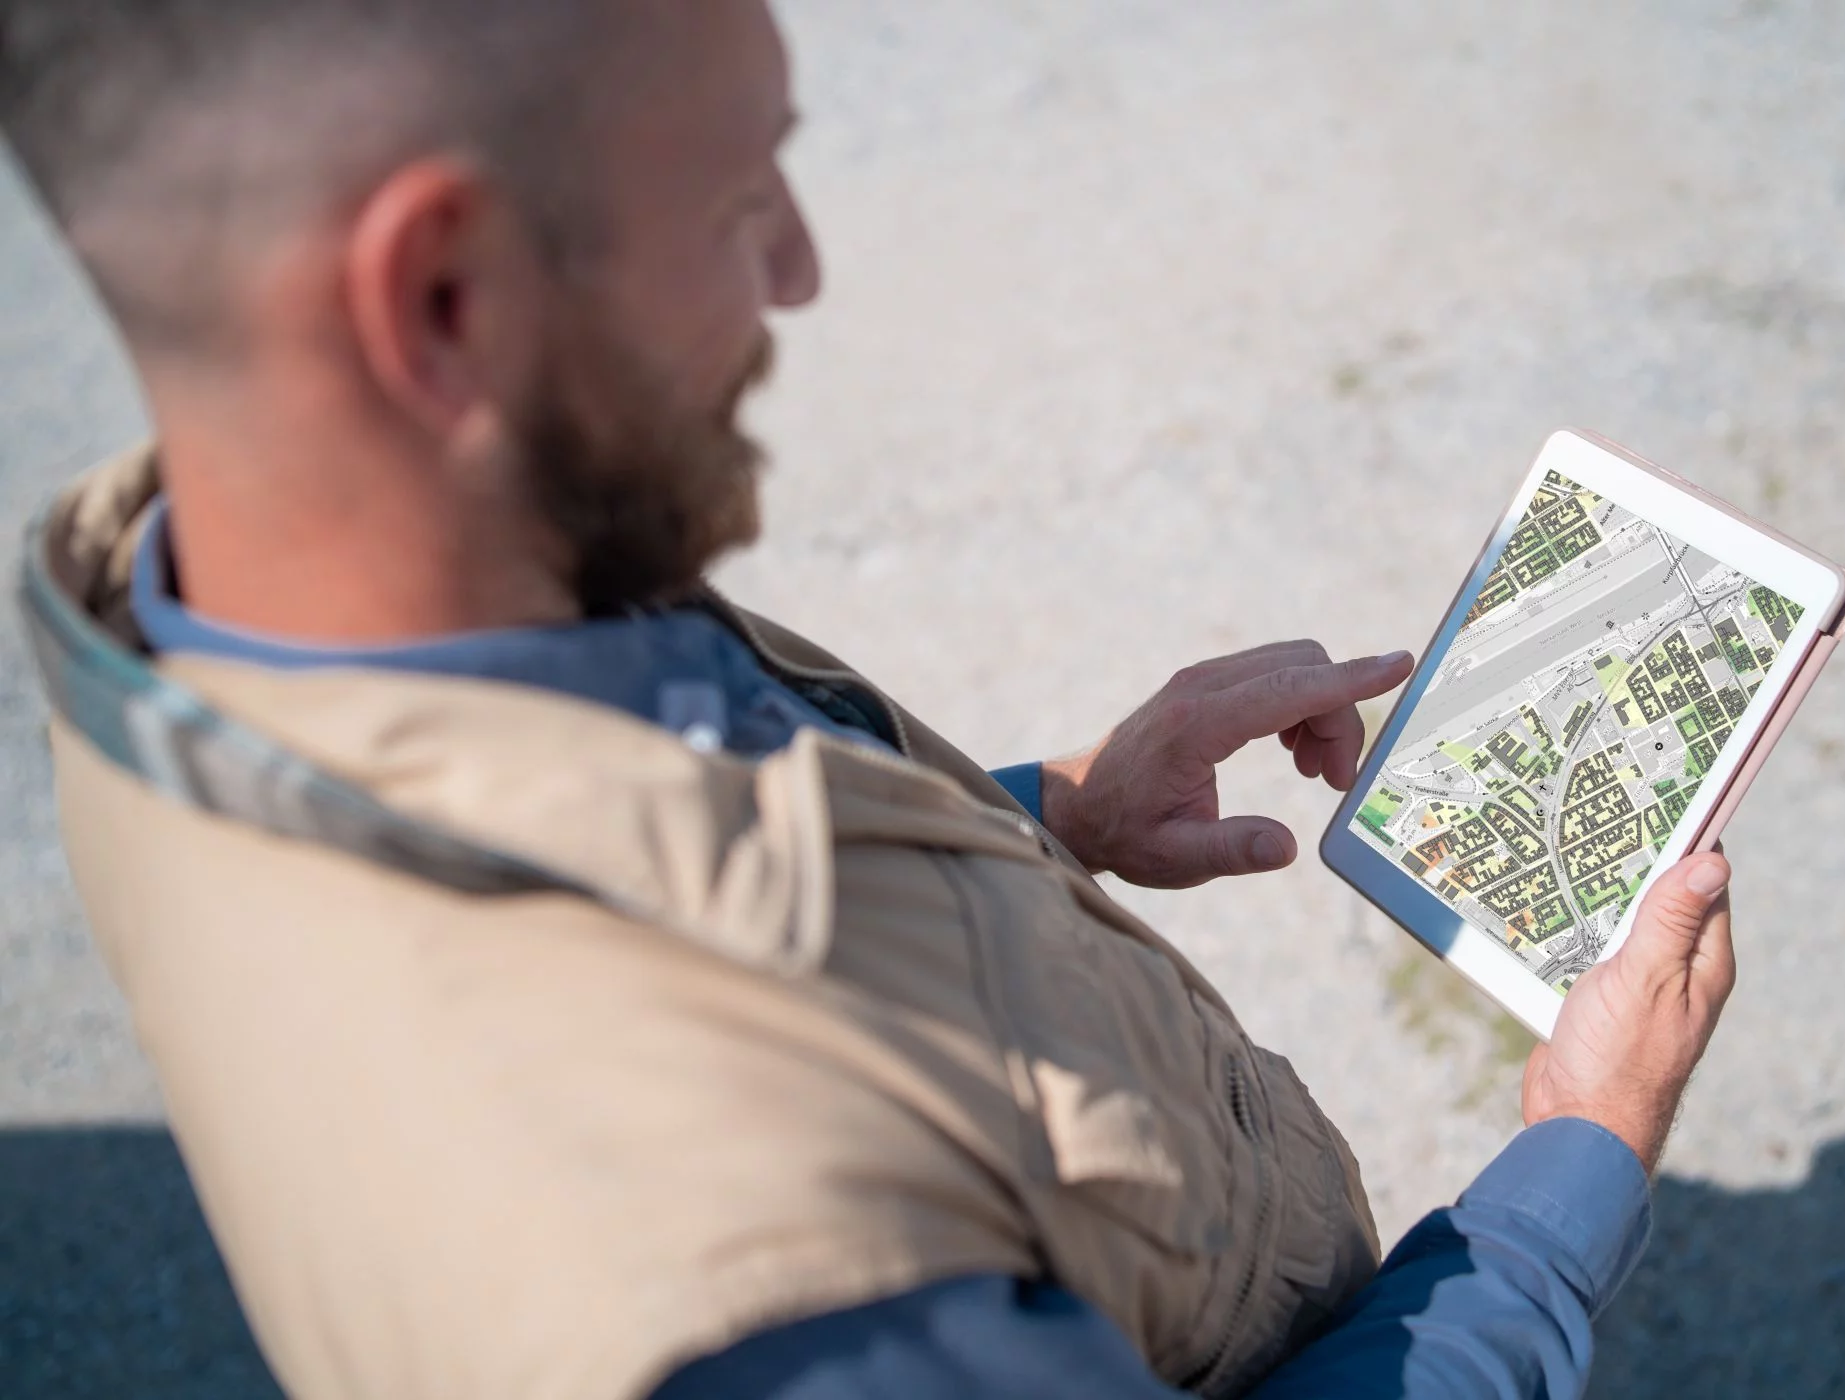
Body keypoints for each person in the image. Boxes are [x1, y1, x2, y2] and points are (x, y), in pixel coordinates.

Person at [1, 2, 1738, 1396]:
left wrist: (1043, 809)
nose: (803, 271)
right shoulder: (771, 1302)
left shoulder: (242, 605)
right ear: (444, 299)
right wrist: (1568, 1176)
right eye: (741, 197)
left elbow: (676, 844)